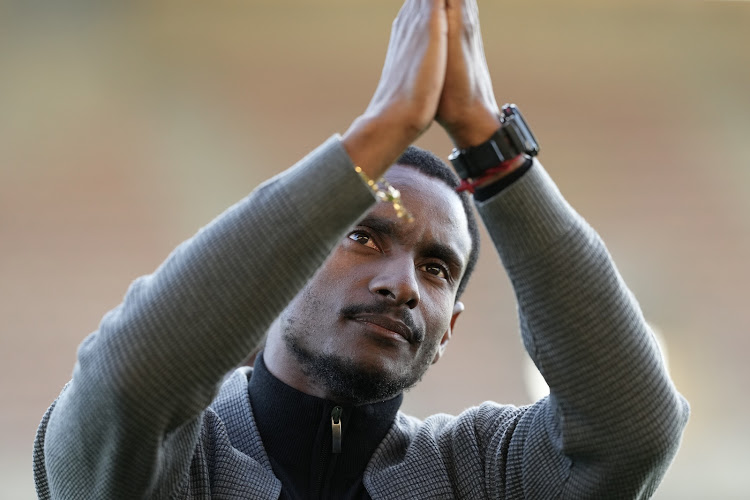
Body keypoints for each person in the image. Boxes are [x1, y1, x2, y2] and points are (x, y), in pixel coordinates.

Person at [33, 0, 689, 498]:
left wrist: (492, 148)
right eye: (363, 236)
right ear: (281, 269)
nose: (402, 283)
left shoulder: (476, 473)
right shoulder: (171, 462)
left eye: (437, 268)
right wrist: (380, 130)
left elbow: (636, 430)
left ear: (449, 329)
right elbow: (125, 383)